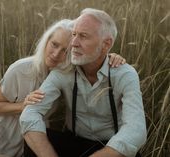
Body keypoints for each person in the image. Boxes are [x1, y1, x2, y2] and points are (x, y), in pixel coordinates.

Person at [0, 18, 125, 157]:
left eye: (65, 50)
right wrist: (24, 106)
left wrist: (112, 57)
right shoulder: (21, 68)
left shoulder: (70, 74)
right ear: (46, 41)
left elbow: (95, 59)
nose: (56, 53)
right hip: (3, 129)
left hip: (37, 131)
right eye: (54, 44)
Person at [20, 8, 147, 157]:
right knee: (35, 141)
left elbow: (136, 129)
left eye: (83, 36)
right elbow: (30, 113)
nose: (73, 43)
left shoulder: (124, 74)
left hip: (111, 147)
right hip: (73, 142)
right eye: (74, 34)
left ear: (106, 44)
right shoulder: (64, 70)